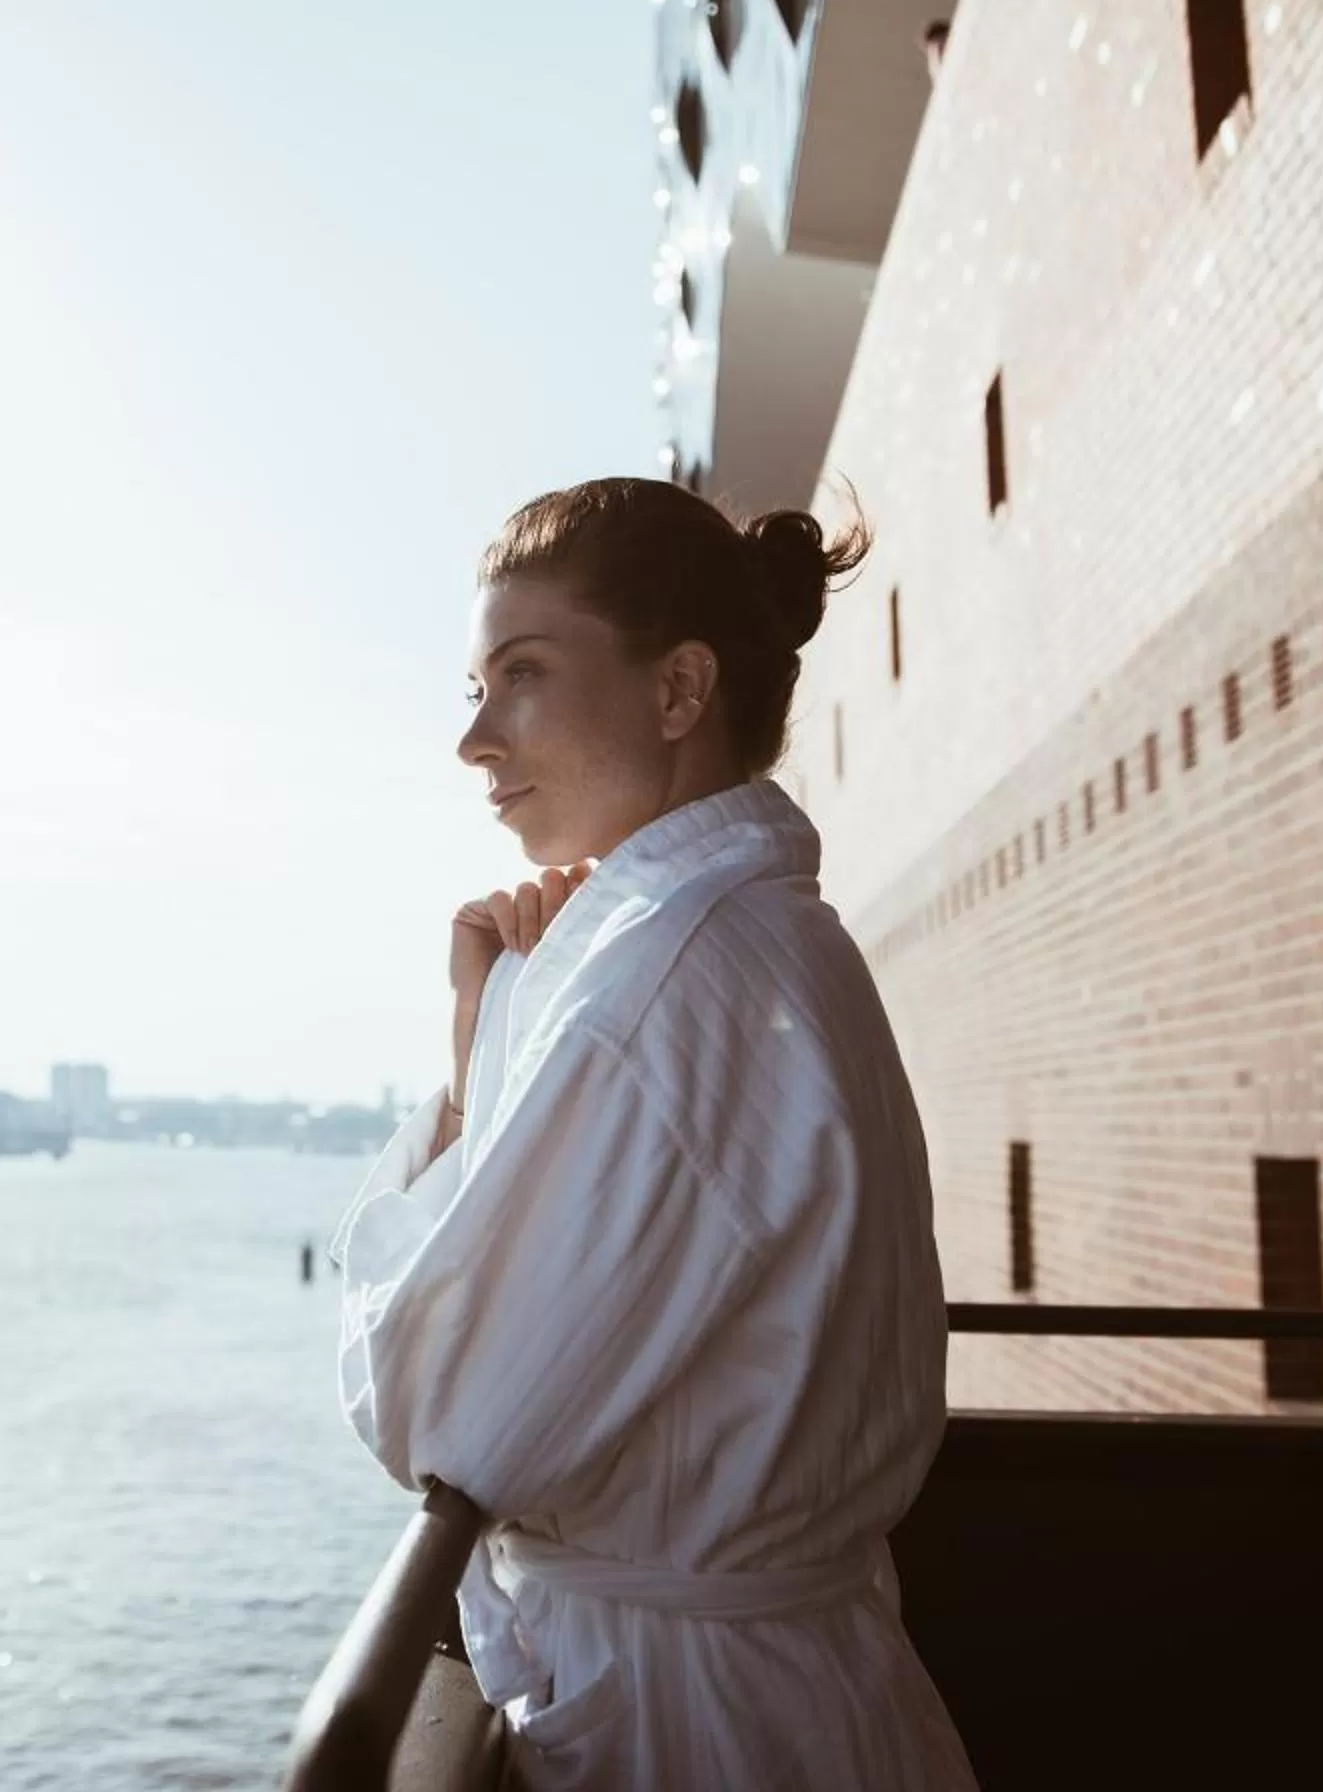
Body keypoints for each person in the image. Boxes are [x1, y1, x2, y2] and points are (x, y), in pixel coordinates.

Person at [330, 478, 978, 1791]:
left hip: (701, 1732)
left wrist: (471, 1083)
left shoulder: (659, 989)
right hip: (789, 1691)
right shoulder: (764, 942)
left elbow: (437, 1411)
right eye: (475, 682)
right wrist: (493, 1047)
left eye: (521, 674)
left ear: (680, 692)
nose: (473, 736)